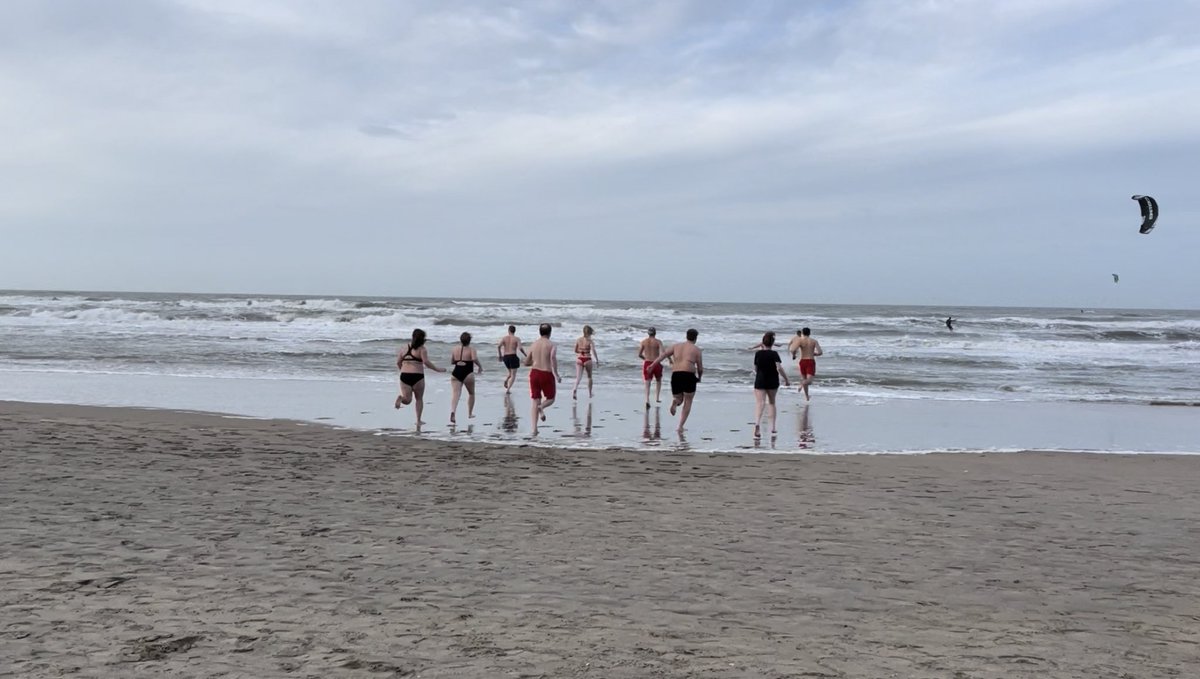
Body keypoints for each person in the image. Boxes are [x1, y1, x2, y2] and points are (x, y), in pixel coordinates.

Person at [646, 328, 703, 432]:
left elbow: (663, 355)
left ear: (686, 336)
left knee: (679, 399)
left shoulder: (676, 346)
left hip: (676, 375)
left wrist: (652, 365)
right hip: (689, 375)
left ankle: (675, 401)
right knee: (688, 401)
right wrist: (699, 377)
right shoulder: (696, 350)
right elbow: (700, 368)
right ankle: (680, 426)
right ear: (695, 338)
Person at [395, 328, 444, 429]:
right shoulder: (422, 349)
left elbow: (398, 362)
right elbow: (426, 362)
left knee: (407, 400)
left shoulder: (404, 348)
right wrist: (437, 369)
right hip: (417, 376)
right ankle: (418, 420)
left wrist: (402, 370)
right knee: (419, 399)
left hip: (404, 376)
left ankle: (401, 399)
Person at [523, 323, 561, 435]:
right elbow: (552, 358)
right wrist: (556, 374)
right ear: (550, 333)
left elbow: (526, 362)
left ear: (539, 332)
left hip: (534, 373)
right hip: (546, 373)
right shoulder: (551, 345)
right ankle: (542, 407)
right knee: (551, 398)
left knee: (535, 400)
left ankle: (534, 429)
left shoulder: (534, 344)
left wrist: (533, 361)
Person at [752, 331, 790, 438]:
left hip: (760, 380)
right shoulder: (774, 354)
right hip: (772, 380)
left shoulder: (758, 354)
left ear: (763, 342)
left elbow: (755, 368)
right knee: (772, 403)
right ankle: (773, 428)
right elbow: (779, 368)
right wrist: (786, 379)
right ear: (773, 343)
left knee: (760, 403)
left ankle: (757, 424)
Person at [448, 332, 482, 424]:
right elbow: (474, 359)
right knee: (471, 393)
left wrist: (459, 361)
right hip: (468, 373)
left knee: (455, 394)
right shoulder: (472, 349)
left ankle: (453, 412)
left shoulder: (455, 349)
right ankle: (470, 413)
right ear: (469, 340)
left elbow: (452, 361)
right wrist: (480, 366)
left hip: (456, 372)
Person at [790, 327, 823, 401]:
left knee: (804, 379)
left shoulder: (800, 340)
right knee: (809, 381)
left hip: (802, 361)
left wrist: (794, 355)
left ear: (802, 333)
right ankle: (801, 385)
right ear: (809, 333)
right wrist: (814, 354)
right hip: (810, 361)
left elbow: (792, 349)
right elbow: (820, 352)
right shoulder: (814, 341)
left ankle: (807, 396)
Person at [638, 327, 666, 408]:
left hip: (647, 363)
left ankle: (647, 400)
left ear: (648, 333)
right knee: (658, 380)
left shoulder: (644, 342)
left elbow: (639, 354)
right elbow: (663, 354)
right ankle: (657, 397)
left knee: (647, 382)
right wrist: (670, 360)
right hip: (656, 362)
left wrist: (645, 359)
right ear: (655, 333)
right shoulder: (658, 342)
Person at [571, 325, 599, 399]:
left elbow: (575, 350)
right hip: (587, 359)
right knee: (589, 377)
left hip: (579, 359)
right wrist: (597, 359)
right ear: (590, 333)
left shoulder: (578, 340)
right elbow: (593, 350)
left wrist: (581, 351)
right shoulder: (590, 341)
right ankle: (590, 393)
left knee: (578, 377)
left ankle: (575, 389)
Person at [497, 325, 526, 393]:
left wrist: (500, 356)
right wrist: (525, 354)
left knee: (510, 373)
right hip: (513, 356)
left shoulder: (504, 338)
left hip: (505, 357)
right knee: (513, 375)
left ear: (508, 331)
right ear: (514, 331)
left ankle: (506, 380)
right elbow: (520, 348)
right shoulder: (517, 339)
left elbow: (498, 346)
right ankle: (508, 389)